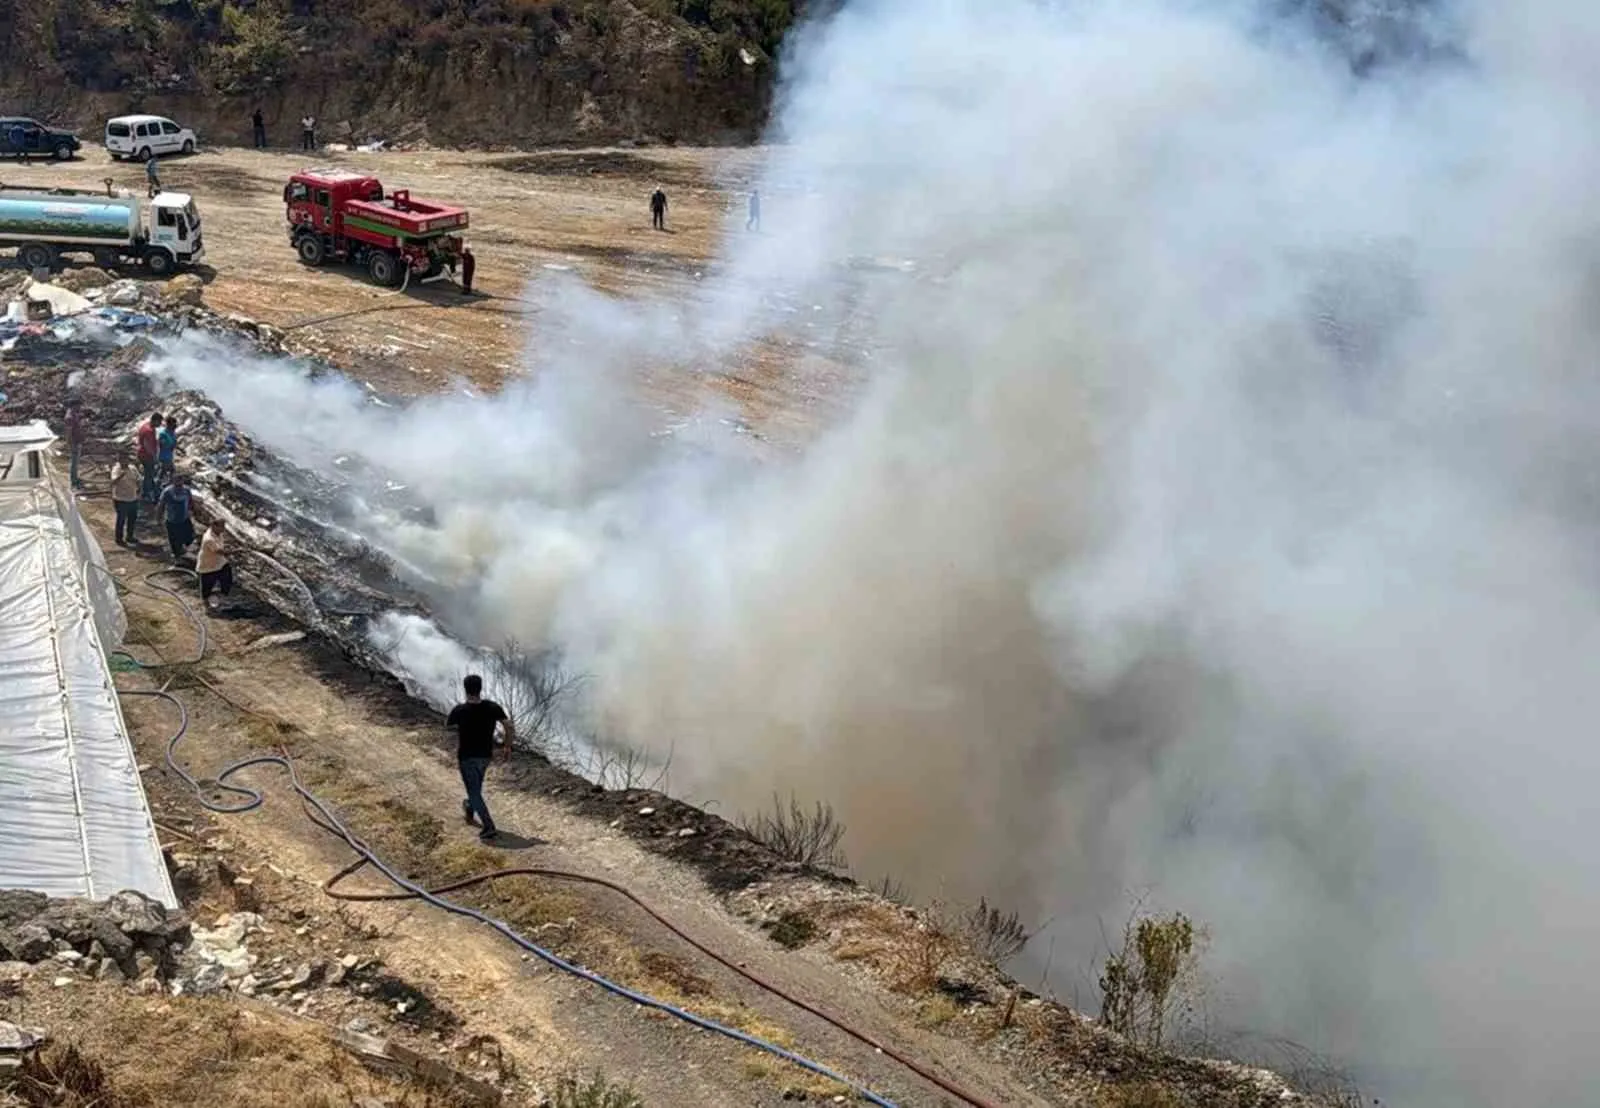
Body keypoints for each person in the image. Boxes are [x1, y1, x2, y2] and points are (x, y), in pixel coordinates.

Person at [446, 674, 515, 842]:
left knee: (474, 790)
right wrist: (507, 745)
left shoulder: (460, 710)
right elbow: (508, 725)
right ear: (480, 688)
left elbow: (448, 725)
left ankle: (488, 826)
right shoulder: (492, 707)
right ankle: (470, 807)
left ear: (465, 689)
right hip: (485, 755)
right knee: (475, 787)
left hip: (467, 756)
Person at [195, 520, 233, 611]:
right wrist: (237, 551)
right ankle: (207, 606)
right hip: (208, 566)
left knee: (227, 577)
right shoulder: (209, 539)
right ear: (213, 526)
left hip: (219, 562)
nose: (223, 529)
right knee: (207, 587)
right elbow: (220, 551)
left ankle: (223, 596)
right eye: (221, 527)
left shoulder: (218, 533)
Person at [156, 473, 194, 563]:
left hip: (184, 518)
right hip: (172, 520)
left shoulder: (186, 490)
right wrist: (159, 518)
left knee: (189, 537)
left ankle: (181, 549)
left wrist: (192, 511)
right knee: (174, 539)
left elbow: (191, 502)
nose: (179, 486)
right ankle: (177, 556)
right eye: (177, 482)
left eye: (180, 482)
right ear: (173, 482)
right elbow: (161, 505)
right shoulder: (167, 492)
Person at [110, 452, 140, 546]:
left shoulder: (133, 468)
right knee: (121, 520)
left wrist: (139, 489)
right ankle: (119, 539)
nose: (124, 462)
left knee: (132, 519)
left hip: (132, 498)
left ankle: (130, 536)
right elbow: (113, 482)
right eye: (122, 460)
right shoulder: (116, 469)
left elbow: (138, 479)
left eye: (126, 459)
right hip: (120, 499)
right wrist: (121, 475)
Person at [135, 410, 162, 502]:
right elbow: (147, 446)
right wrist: (154, 457)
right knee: (148, 475)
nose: (160, 424)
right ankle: (145, 494)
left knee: (148, 474)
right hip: (146, 456)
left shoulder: (146, 426)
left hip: (142, 454)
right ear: (155, 420)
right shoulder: (148, 431)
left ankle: (146, 491)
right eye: (159, 422)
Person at [63, 402, 85, 489]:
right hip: (74, 442)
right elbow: (68, 432)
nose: (79, 407)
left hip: (77, 441)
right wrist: (70, 443)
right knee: (74, 462)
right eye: (78, 405)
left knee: (76, 461)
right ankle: (74, 480)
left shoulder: (73, 415)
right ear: (74, 406)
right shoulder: (69, 417)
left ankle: (75, 477)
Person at [156, 415, 178, 484]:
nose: (174, 425)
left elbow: (174, 443)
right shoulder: (163, 434)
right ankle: (157, 484)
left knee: (167, 471)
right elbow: (162, 444)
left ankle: (162, 484)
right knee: (167, 471)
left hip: (170, 456)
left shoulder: (172, 433)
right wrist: (170, 445)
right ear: (169, 424)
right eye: (173, 424)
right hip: (164, 456)